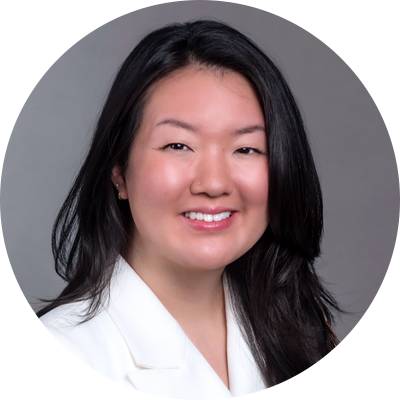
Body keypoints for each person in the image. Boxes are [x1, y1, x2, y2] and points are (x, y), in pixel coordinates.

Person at [38, 20, 340, 399]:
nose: (213, 183)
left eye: (246, 149)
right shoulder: (57, 358)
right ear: (119, 171)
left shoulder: (306, 333)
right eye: (178, 146)